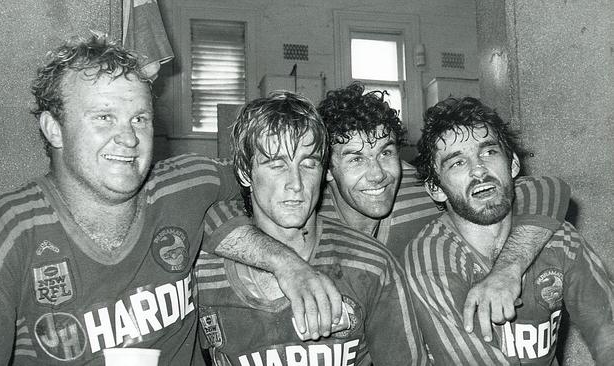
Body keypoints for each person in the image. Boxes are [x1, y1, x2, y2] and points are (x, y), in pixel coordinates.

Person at [0, 33, 339, 365]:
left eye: (139, 119)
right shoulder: (6, 235)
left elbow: (281, 180)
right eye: (104, 118)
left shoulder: (188, 185)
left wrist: (289, 264)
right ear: (54, 129)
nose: (128, 138)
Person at [207, 82, 571, 340]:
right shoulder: (304, 211)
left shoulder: (419, 191)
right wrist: (288, 264)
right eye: (355, 158)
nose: (378, 174)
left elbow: (545, 188)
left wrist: (508, 270)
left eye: (385, 152)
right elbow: (214, 215)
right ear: (327, 169)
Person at [197, 91, 427, 366]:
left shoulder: (375, 263)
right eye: (276, 164)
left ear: (322, 170)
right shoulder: (201, 272)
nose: (295, 183)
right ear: (246, 172)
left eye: (308, 163)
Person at [404, 96, 614, 365]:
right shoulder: (429, 258)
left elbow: (606, 329)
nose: (478, 169)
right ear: (435, 189)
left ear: (513, 164)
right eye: (457, 162)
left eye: (489, 152)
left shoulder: (559, 239)